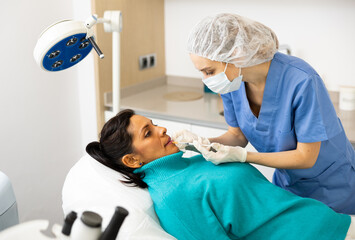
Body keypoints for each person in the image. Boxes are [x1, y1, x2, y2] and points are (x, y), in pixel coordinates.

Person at [174, 13, 355, 214]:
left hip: (331, 188)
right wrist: (201, 143)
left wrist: (244, 156)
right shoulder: (232, 82)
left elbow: (306, 157)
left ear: (236, 55)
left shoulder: (301, 80)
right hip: (287, 185)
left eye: (209, 71)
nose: (206, 79)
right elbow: (237, 136)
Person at [86, 109, 355, 240]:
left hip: (325, 221)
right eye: (148, 133)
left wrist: (202, 145)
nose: (162, 130)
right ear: (132, 160)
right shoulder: (172, 198)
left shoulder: (189, 163)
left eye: (154, 124)